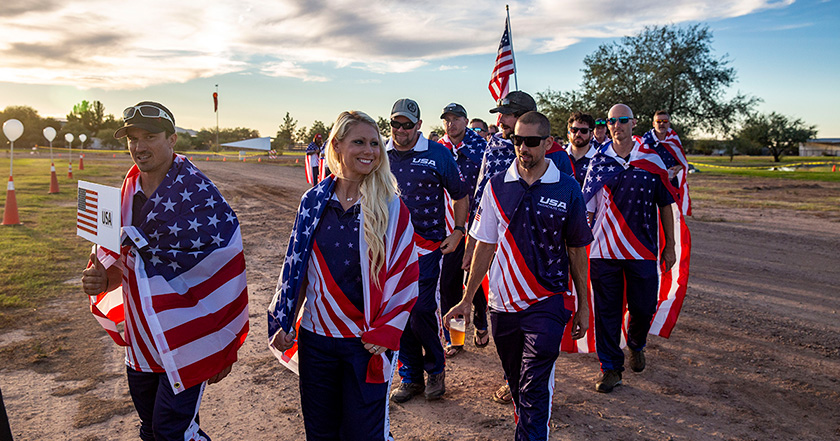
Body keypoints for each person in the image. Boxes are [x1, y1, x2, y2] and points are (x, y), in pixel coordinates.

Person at [81, 101, 249, 440]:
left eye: (150, 137)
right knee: (151, 430)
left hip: (187, 340)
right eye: (132, 138)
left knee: (173, 432)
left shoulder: (200, 197)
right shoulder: (120, 197)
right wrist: (101, 277)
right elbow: (120, 265)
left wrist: (223, 346)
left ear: (172, 139)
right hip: (142, 343)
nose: (139, 147)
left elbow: (223, 268)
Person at [268, 111, 419, 440]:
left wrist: (386, 330)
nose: (369, 150)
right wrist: (285, 318)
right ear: (336, 146)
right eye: (359, 142)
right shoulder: (312, 202)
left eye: (375, 143)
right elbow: (297, 267)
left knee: (363, 433)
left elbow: (406, 275)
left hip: (365, 343)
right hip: (316, 340)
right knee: (320, 432)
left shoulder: (391, 206)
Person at [444, 111, 591, 440]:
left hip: (548, 301)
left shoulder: (568, 188)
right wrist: (467, 299)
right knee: (517, 382)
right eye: (517, 140)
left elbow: (577, 249)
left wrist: (583, 304)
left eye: (531, 141)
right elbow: (484, 245)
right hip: (503, 306)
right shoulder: (497, 186)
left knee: (535, 385)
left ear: (548, 143)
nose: (522, 147)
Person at [582, 104, 679, 393]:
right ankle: (610, 368)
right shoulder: (598, 161)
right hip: (604, 250)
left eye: (623, 120)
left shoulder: (652, 160)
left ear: (633, 123)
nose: (617, 125)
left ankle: (636, 342)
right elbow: (588, 207)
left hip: (642, 249)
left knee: (644, 306)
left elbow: (665, 205)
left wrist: (670, 246)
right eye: (612, 121)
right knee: (607, 311)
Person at [386, 98, 469, 403]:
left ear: (418, 126)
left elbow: (461, 195)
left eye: (407, 124)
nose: (401, 130)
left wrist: (459, 231)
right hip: (389, 249)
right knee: (399, 311)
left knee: (421, 309)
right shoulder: (379, 152)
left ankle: (436, 368)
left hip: (427, 247)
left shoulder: (438, 153)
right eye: (396, 123)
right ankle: (411, 377)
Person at [436, 103, 489, 357]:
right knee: (448, 283)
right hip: (447, 226)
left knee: (472, 279)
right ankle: (455, 338)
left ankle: (480, 322)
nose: (451, 124)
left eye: (456, 119)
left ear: (466, 121)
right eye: (447, 119)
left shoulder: (481, 148)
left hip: (476, 225)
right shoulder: (437, 149)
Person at [563, 112, 598, 186]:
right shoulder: (560, 156)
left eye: (584, 131)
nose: (578, 134)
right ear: (569, 134)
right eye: (574, 130)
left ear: (591, 135)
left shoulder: (598, 159)